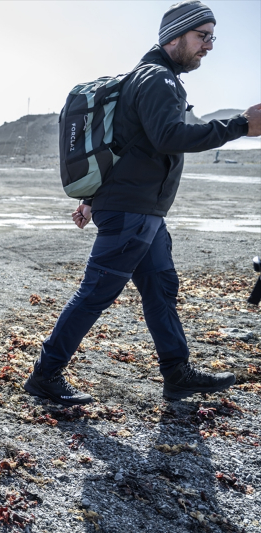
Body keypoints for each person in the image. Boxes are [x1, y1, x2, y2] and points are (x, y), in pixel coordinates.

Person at [24, 0, 261, 406]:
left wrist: (94, 200)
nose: (208, 46)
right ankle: (46, 374)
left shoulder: (152, 77)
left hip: (141, 211)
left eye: (212, 37)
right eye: (202, 37)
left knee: (160, 288)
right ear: (176, 36)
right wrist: (240, 125)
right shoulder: (158, 79)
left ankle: (177, 373)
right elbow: (170, 136)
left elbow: (127, 147)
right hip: (134, 211)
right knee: (96, 292)